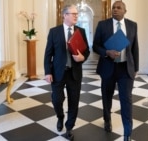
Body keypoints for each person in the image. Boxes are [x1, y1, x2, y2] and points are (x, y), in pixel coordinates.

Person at [92, 1, 139, 141]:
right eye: (113, 7)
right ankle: (107, 119)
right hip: (108, 67)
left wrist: (136, 67)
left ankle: (127, 132)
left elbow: (135, 47)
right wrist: (107, 52)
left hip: (126, 69)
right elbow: (95, 46)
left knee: (126, 100)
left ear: (125, 10)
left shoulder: (132, 25)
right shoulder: (103, 25)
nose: (115, 9)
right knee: (107, 97)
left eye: (119, 8)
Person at [44, 4, 90, 141]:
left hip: (74, 73)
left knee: (74, 102)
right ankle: (60, 117)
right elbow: (48, 54)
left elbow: (86, 50)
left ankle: (69, 127)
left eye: (77, 14)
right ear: (65, 15)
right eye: (73, 13)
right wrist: (47, 72)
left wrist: (83, 57)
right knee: (56, 100)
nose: (76, 15)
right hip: (58, 72)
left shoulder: (81, 31)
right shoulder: (54, 32)